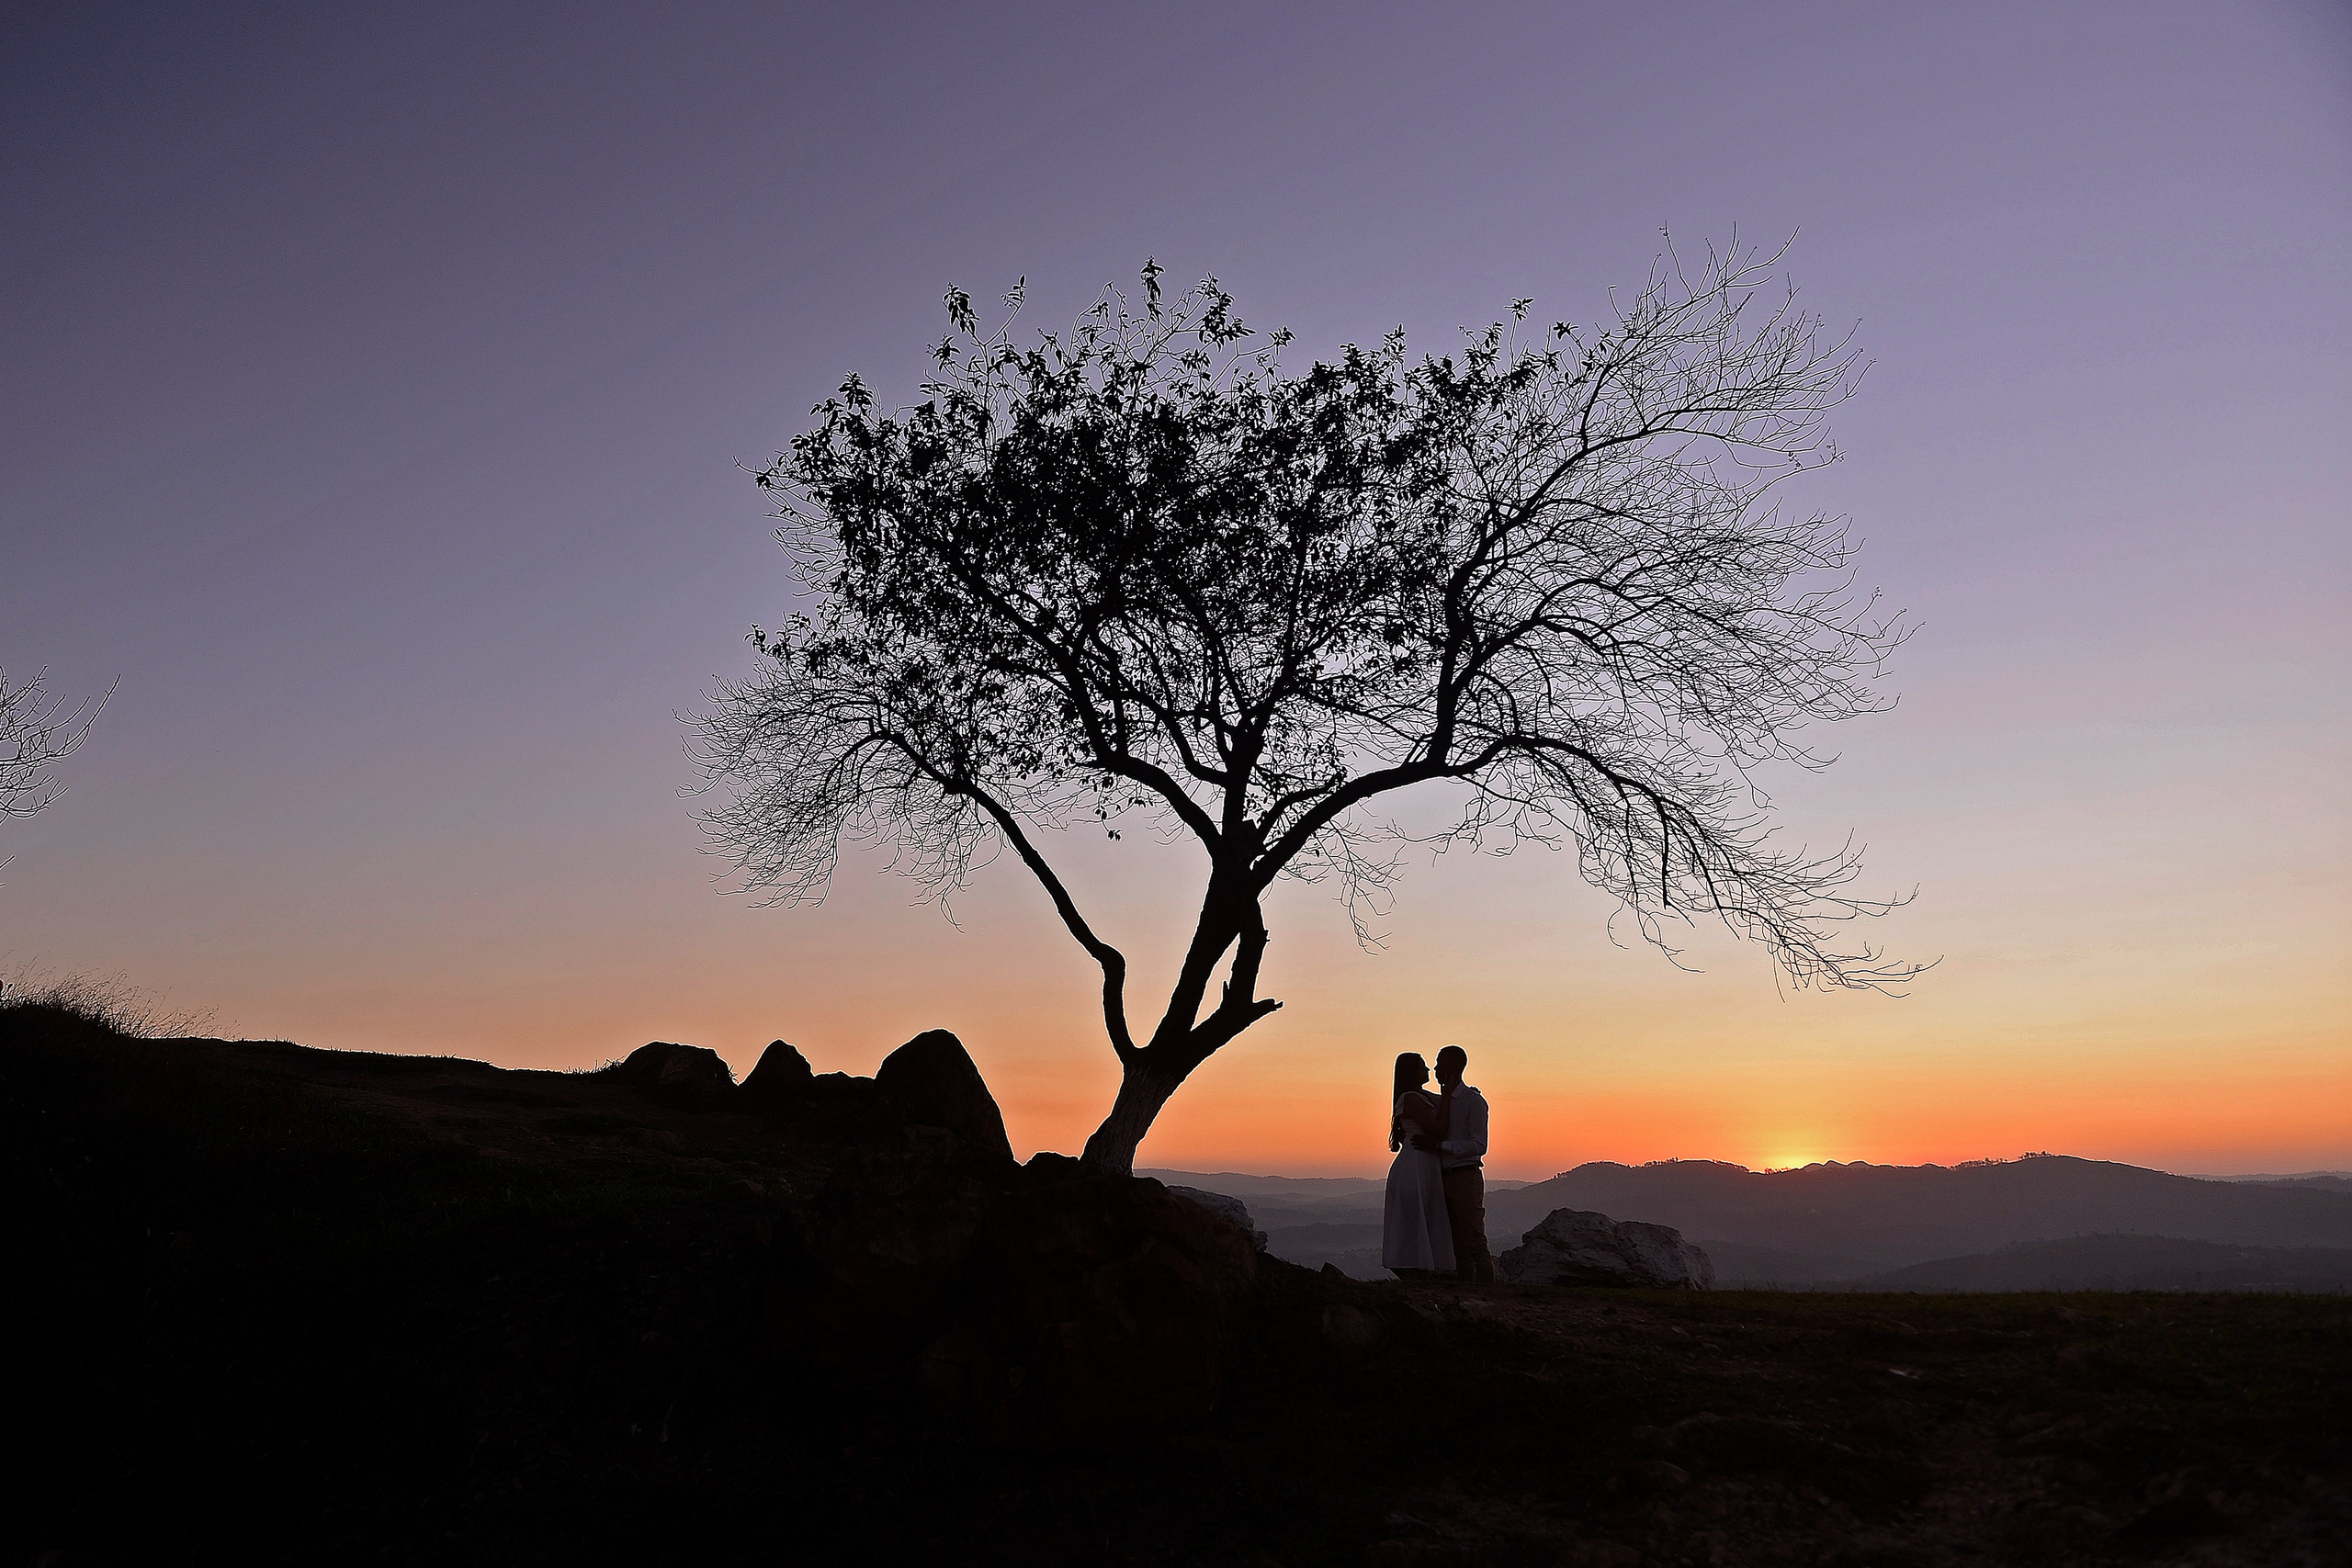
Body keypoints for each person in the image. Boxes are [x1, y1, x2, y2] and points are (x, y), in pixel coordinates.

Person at [1411, 1044, 1494, 1283]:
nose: (1435, 1068)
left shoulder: (1473, 1101)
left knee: (1475, 1240)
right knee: (1458, 1244)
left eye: (1439, 1062)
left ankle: (1489, 1293)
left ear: (1455, 1066)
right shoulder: (1441, 1101)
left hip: (1465, 1176)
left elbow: (1480, 1145)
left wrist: (1441, 1147)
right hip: (1444, 1176)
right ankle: (1467, 1292)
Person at [1380, 1051, 1454, 1278]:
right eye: (1423, 1066)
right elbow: (1439, 1128)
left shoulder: (1422, 1096)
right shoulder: (1411, 1099)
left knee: (1424, 1215)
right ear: (1413, 1072)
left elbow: (1445, 1106)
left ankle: (1424, 1267)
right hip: (1414, 1166)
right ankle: (1413, 1269)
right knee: (1414, 1218)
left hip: (1423, 1164)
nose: (1428, 1070)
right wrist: (1449, 1095)